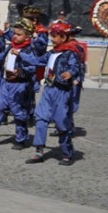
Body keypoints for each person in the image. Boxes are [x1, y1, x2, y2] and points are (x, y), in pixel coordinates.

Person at [22, 22, 81, 166]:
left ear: (64, 37)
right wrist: (20, 54)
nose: (52, 39)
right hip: (48, 90)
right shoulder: (51, 53)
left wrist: (70, 73)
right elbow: (37, 60)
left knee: (61, 123)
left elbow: (76, 67)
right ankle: (39, 151)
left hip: (61, 92)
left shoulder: (70, 53)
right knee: (41, 119)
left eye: (55, 36)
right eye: (52, 36)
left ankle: (67, 152)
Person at [0, 18, 37, 149]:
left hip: (19, 85)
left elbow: (33, 67)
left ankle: (21, 138)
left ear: (27, 36)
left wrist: (19, 71)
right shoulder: (11, 46)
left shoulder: (29, 50)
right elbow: (3, 56)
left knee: (18, 112)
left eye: (18, 34)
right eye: (14, 33)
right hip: (6, 82)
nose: (14, 36)